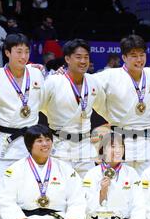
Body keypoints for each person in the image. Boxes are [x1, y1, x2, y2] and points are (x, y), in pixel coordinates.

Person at [0, 124, 89, 219]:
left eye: (47, 139)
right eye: (39, 141)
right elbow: (6, 200)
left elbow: (77, 197)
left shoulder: (65, 168)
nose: (45, 144)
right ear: (30, 145)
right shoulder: (15, 170)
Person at [93, 35, 150, 174]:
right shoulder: (109, 76)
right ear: (124, 57)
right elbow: (84, 82)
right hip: (120, 141)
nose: (139, 60)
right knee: (121, 186)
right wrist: (62, 73)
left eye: (142, 55)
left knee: (147, 185)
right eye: (133, 55)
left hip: (146, 142)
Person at [41, 39, 105, 178]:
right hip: (61, 145)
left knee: (89, 190)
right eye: (78, 57)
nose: (83, 61)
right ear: (67, 59)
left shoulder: (93, 81)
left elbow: (103, 108)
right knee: (61, 190)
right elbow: (39, 107)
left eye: (86, 57)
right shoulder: (54, 81)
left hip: (85, 147)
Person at [82, 132, 149, 219]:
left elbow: (139, 203)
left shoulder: (131, 173)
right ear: (102, 150)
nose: (117, 150)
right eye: (112, 146)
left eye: (121, 147)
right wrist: (102, 191)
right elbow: (87, 207)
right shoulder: (92, 174)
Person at [0, 33, 45, 175]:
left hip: (32, 141)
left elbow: (45, 101)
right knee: (1, 188)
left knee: (31, 188)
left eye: (27, 52)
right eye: (19, 52)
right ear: (7, 52)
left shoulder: (37, 73)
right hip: (7, 142)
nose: (24, 56)